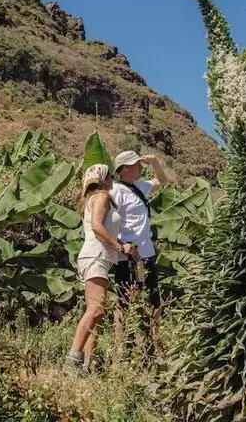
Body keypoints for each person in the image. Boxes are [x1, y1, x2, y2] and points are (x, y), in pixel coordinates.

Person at [64, 164, 138, 375]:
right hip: (96, 255)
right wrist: (119, 247)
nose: (113, 179)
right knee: (97, 309)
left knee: (94, 313)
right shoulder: (103, 197)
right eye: (110, 176)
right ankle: (72, 361)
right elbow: (97, 227)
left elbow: (101, 228)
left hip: (96, 256)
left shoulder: (93, 198)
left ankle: (90, 364)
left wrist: (122, 245)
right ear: (104, 179)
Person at [110, 151, 168, 351]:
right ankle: (121, 346)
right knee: (124, 301)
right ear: (124, 169)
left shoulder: (140, 187)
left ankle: (154, 342)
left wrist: (155, 162)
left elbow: (162, 181)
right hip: (129, 256)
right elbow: (107, 222)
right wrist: (119, 245)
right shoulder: (115, 190)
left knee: (153, 298)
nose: (139, 167)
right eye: (136, 165)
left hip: (147, 254)